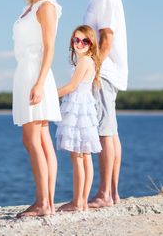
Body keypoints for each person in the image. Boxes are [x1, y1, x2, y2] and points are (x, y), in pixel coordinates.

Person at [12, 0, 62, 217]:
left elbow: (50, 47)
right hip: (25, 72)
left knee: (32, 139)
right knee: (41, 141)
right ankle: (47, 202)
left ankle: (43, 203)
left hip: (35, 74)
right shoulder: (29, 8)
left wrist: (40, 82)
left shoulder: (46, 7)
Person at [83, 0, 128, 207]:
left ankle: (104, 195)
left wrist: (93, 69)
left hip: (104, 72)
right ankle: (112, 192)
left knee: (105, 132)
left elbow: (107, 39)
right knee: (111, 132)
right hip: (106, 71)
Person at [55, 25, 102, 212]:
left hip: (78, 110)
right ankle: (82, 201)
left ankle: (77, 201)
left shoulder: (84, 63)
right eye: (76, 40)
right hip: (85, 109)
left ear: (91, 44)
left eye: (84, 41)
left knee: (77, 156)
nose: (79, 44)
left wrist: (50, 95)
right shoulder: (89, 62)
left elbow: (72, 86)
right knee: (85, 156)